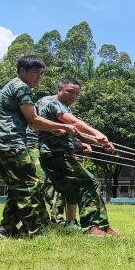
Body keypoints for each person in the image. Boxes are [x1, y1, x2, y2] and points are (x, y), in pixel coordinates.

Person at [0, 55, 77, 238]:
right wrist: (65, 126)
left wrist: (52, 129)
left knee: (17, 186)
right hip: (11, 142)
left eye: (41, 73)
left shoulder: (11, 86)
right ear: (22, 71)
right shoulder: (21, 87)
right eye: (35, 73)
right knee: (30, 185)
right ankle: (37, 231)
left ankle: (6, 229)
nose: (39, 77)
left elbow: (32, 123)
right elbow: (34, 119)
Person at [36, 78, 118, 236]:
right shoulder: (50, 102)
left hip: (62, 154)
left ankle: (89, 225)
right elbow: (73, 122)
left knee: (72, 189)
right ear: (59, 89)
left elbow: (72, 133)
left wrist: (97, 143)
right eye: (70, 92)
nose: (73, 96)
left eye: (77, 93)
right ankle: (94, 226)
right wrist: (97, 133)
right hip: (55, 155)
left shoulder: (63, 107)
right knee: (89, 183)